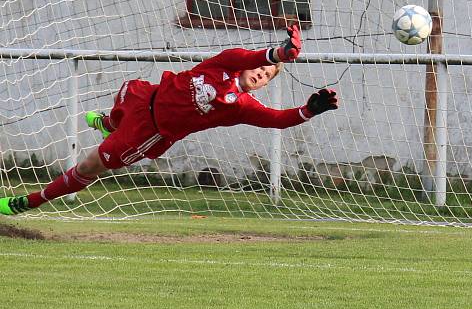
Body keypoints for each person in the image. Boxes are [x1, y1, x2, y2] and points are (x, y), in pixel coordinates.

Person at [0, 25, 338, 216]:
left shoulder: (241, 106)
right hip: (145, 96)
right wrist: (280, 54)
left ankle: (29, 201)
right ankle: (110, 122)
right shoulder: (227, 60)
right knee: (122, 96)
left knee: (89, 165)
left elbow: (276, 120)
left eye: (267, 77)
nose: (261, 75)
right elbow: (254, 55)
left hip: (147, 134)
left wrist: (308, 110)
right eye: (260, 70)